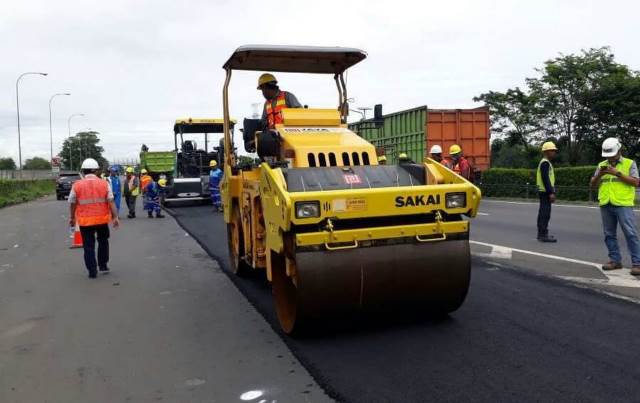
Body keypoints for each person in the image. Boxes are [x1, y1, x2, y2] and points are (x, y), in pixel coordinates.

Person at [590, 137, 640, 275]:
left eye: (612, 154)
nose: (610, 157)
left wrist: (617, 173)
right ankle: (614, 260)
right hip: (606, 203)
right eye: (607, 155)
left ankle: (637, 263)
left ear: (619, 150)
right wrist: (600, 174)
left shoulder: (630, 163)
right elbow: (592, 185)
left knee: (630, 234)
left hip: (623, 203)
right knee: (609, 234)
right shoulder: (601, 165)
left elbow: (636, 182)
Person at [68, 158, 119, 278]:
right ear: (96, 171)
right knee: (103, 241)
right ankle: (103, 265)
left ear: (83, 171)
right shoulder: (104, 183)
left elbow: (72, 202)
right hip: (102, 220)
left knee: (88, 246)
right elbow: (111, 201)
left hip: (85, 221)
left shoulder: (77, 185)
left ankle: (92, 271)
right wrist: (115, 217)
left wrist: (72, 218)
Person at [536, 141, 558, 242]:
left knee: (544, 213)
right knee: (545, 214)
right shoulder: (545, 163)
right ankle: (543, 235)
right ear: (546, 152)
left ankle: (542, 233)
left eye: (554, 151)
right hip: (545, 192)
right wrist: (551, 193)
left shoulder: (546, 162)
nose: (554, 152)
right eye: (552, 150)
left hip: (544, 191)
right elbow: (545, 179)